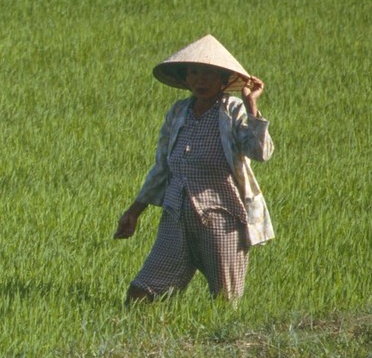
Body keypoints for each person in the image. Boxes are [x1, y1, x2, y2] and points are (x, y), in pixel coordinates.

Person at [113, 34, 274, 303]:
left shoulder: (231, 110)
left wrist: (251, 105)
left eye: (209, 74)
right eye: (195, 73)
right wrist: (134, 211)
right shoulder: (179, 112)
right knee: (140, 294)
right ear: (185, 78)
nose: (201, 80)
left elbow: (261, 153)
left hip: (222, 220)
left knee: (224, 301)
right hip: (176, 217)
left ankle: (219, 343)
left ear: (223, 80)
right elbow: (162, 168)